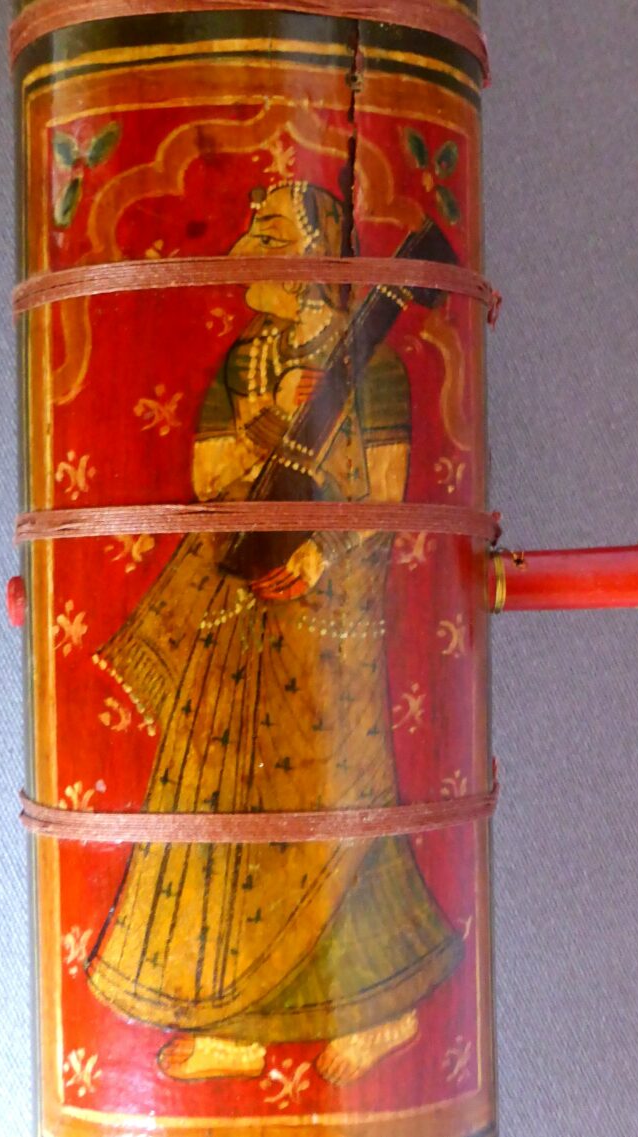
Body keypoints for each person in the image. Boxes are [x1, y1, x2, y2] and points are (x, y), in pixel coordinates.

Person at [86, 181, 462, 1085]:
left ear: (318, 252)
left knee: (342, 805)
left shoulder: (371, 367)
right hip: (237, 619)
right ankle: (234, 1021)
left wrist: (320, 558)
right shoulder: (244, 366)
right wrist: (268, 425)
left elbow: (386, 497)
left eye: (271, 232)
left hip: (328, 623)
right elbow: (209, 481)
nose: (251, 247)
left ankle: (378, 1011)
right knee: (224, 813)